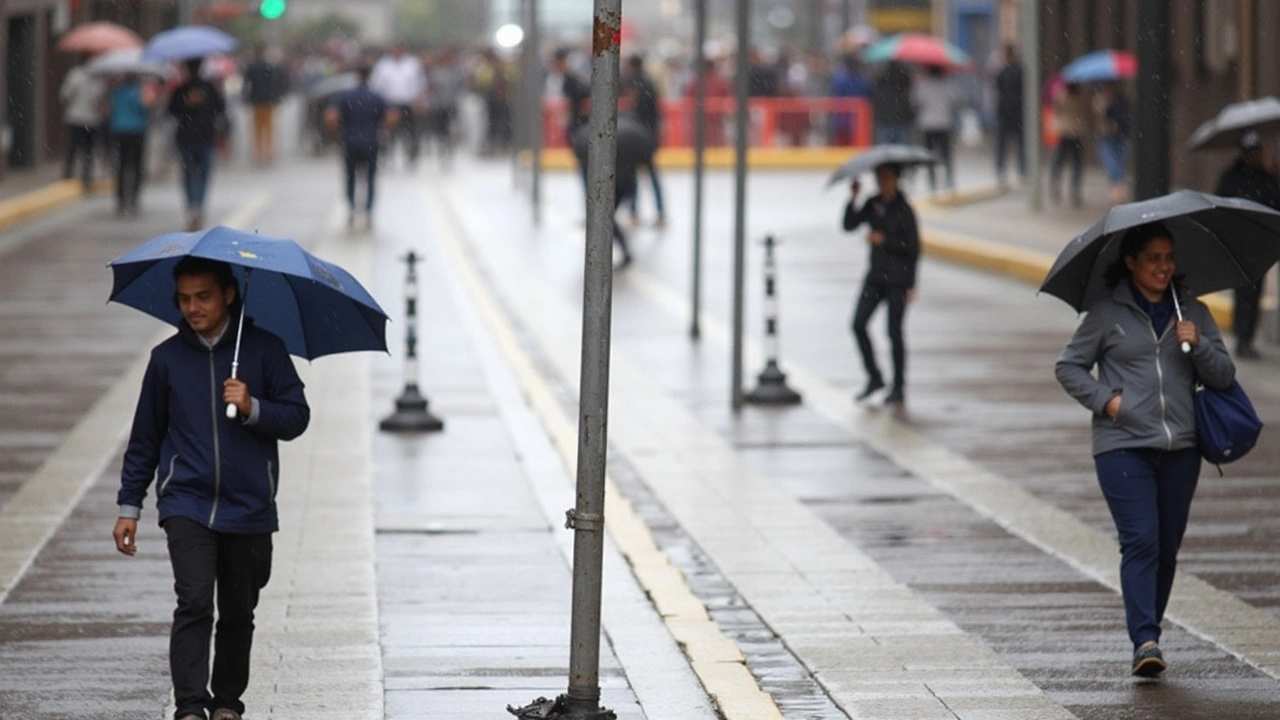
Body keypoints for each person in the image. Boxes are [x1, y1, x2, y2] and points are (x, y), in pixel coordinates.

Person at [113, 257, 310, 720]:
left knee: (238, 611)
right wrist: (129, 506)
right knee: (195, 599)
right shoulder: (166, 360)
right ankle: (190, 706)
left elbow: (297, 417)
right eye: (184, 299)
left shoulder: (264, 351)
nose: (193, 307)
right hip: (187, 501)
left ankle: (227, 703)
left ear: (228, 294)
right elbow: (145, 438)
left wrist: (252, 406)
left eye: (203, 296)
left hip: (250, 506)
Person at [1055, 221, 1234, 678]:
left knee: (1167, 547)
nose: (1163, 266)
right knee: (1141, 540)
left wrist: (1196, 346)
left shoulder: (1191, 310)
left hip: (1181, 446)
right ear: (1131, 262)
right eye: (1152, 258)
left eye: (1168, 258)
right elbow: (1069, 366)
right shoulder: (1104, 315)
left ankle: (1147, 628)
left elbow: (1224, 376)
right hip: (1121, 446)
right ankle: (1145, 639)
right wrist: (1107, 401)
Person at [843, 163, 920, 405]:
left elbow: (913, 248)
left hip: (898, 278)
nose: (882, 182)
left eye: (886, 178)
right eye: (879, 178)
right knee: (858, 324)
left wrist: (885, 241)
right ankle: (874, 376)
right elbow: (849, 225)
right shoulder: (874, 204)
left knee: (894, 332)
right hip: (876, 277)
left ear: (896, 179)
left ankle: (898, 386)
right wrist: (853, 197)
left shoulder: (905, 210)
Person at [1215, 131, 1280, 359]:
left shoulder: (1267, 177)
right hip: (1240, 240)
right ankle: (1242, 336)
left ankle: (1247, 336)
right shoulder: (1232, 177)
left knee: (1255, 290)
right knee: (1243, 289)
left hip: (1260, 242)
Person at [325, 64, 396, 230]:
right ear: (370, 76)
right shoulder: (377, 97)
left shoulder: (345, 96)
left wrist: (336, 134)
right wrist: (384, 130)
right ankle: (368, 212)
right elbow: (392, 117)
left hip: (350, 142)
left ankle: (351, 208)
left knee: (350, 177)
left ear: (357, 76)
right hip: (371, 142)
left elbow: (330, 118)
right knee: (370, 179)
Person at [168, 58, 227, 231]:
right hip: (193, 138)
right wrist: (188, 104)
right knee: (196, 175)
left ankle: (195, 208)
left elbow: (220, 108)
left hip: (200, 138)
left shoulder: (205, 88)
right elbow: (173, 110)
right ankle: (195, 208)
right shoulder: (185, 89)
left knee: (196, 175)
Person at [623, 55, 665, 227]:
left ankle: (636, 213)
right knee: (649, 176)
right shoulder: (646, 83)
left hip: (640, 137)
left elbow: (639, 111)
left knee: (637, 176)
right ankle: (657, 213)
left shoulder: (638, 85)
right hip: (647, 136)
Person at [370, 42, 425, 167]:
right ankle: (387, 156)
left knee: (411, 133)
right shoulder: (383, 65)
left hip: (408, 103)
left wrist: (420, 102)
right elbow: (376, 85)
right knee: (388, 133)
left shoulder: (413, 64)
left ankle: (411, 157)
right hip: (389, 104)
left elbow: (420, 84)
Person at [913, 64, 963, 191]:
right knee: (946, 154)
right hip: (944, 123)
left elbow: (915, 101)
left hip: (927, 124)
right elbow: (958, 99)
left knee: (929, 154)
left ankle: (932, 181)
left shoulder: (923, 85)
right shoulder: (948, 84)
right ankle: (949, 179)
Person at [107, 73, 150, 217]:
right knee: (136, 166)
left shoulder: (116, 92)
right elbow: (143, 109)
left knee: (121, 165)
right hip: (136, 131)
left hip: (119, 131)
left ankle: (121, 199)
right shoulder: (138, 92)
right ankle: (134, 198)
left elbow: (109, 110)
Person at [60, 58, 106, 187]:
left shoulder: (81, 77)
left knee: (80, 148)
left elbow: (65, 95)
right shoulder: (77, 76)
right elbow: (66, 94)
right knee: (82, 148)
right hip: (80, 118)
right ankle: (79, 174)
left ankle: (79, 174)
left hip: (85, 119)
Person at [241, 44, 288, 165]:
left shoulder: (252, 67)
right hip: (269, 100)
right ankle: (268, 151)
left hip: (257, 100)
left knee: (257, 127)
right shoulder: (270, 66)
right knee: (269, 127)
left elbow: (247, 84)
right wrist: (277, 97)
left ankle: (258, 152)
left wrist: (245, 98)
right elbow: (276, 83)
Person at [1049, 81, 1089, 206]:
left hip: (1064, 131)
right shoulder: (1082, 98)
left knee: (1059, 160)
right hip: (1077, 131)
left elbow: (1056, 109)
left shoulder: (1061, 96)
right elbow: (1087, 113)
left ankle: (1055, 185)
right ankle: (1075, 190)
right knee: (1077, 163)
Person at [1094, 81, 1132, 204]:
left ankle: (1118, 187)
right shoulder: (1102, 100)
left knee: (1119, 162)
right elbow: (1100, 117)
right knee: (1111, 162)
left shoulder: (1122, 100)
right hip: (1107, 136)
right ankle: (1117, 187)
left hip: (1121, 135)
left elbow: (1126, 116)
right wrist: (1101, 107)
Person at [993, 44, 1025, 186]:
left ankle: (1003, 171)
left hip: (1008, 112)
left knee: (1003, 144)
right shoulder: (1018, 71)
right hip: (1016, 112)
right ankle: (1021, 171)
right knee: (1019, 144)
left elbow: (997, 89)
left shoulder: (1004, 72)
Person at [829, 54, 874, 146]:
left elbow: (835, 99)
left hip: (844, 122)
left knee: (843, 150)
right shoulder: (863, 80)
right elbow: (869, 97)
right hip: (857, 123)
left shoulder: (840, 80)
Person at [872, 61, 914, 145]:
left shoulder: (880, 77)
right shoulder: (905, 77)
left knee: (883, 152)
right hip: (901, 118)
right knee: (903, 152)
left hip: (884, 118)